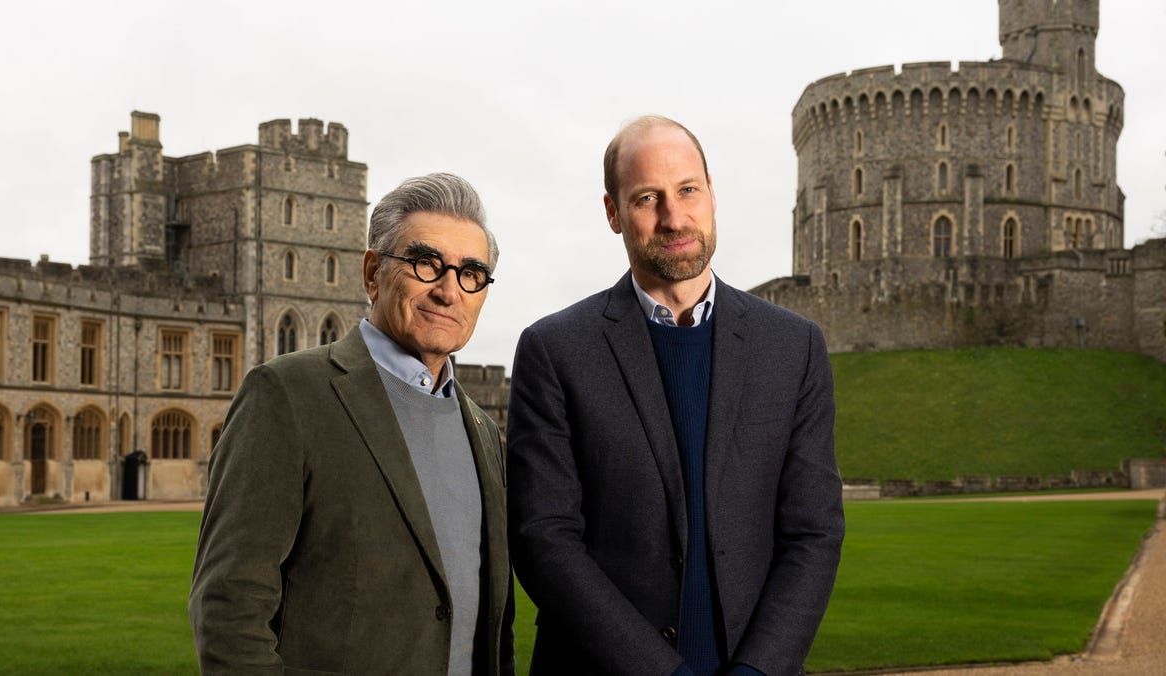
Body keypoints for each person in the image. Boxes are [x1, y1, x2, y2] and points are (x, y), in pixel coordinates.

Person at [506, 116, 845, 676]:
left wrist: (760, 670)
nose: (674, 216)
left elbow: (814, 530)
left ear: (712, 193)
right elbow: (544, 539)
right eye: (647, 198)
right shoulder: (555, 349)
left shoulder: (794, 347)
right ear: (614, 213)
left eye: (688, 189)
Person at [189, 172, 514, 676]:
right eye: (426, 263)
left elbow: (492, 620)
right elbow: (230, 608)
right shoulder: (287, 395)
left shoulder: (484, 432)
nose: (449, 291)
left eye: (471, 273)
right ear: (372, 274)